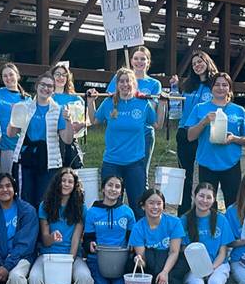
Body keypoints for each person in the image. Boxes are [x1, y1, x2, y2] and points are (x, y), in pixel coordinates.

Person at [28, 168, 93, 284]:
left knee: (85, 278)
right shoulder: (45, 205)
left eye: (70, 182)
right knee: (33, 278)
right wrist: (52, 237)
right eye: (63, 181)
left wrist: (69, 261)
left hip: (71, 256)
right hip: (47, 255)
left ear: (75, 185)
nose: (66, 184)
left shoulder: (81, 207)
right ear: (57, 183)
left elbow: (76, 238)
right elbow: (44, 239)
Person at [86, 67, 166, 213]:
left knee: (138, 205)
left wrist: (162, 105)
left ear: (134, 84)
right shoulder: (109, 102)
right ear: (117, 85)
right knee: (111, 204)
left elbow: (158, 125)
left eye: (128, 81)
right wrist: (91, 102)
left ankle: (137, 234)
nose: (124, 84)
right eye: (121, 81)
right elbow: (94, 120)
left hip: (135, 163)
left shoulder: (143, 103)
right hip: (112, 162)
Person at [183, 72, 245, 209]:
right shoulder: (200, 108)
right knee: (207, 204)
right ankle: (210, 229)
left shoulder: (238, 110)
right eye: (217, 85)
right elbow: (190, 136)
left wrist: (234, 139)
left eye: (224, 85)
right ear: (211, 87)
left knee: (234, 204)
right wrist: (204, 121)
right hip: (207, 162)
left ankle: (231, 229)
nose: (221, 88)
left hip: (231, 163)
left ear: (229, 88)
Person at [83, 175, 135, 284]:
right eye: (110, 185)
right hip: (98, 260)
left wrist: (131, 250)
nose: (113, 189)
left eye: (117, 186)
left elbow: (132, 239)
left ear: (121, 191)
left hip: (120, 261)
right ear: (103, 189)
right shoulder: (92, 212)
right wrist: (89, 245)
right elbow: (88, 239)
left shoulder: (127, 212)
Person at [7, 71, 74, 208]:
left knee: (44, 202)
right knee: (25, 200)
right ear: (37, 86)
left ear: (53, 90)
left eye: (50, 86)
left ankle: (43, 230)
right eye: (43, 84)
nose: (46, 88)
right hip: (26, 159)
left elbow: (67, 140)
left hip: (49, 161)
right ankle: (27, 229)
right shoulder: (25, 106)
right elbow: (11, 134)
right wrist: (14, 116)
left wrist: (68, 121)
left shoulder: (59, 110)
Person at [170, 50, 216, 215]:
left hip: (206, 134)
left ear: (207, 62)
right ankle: (183, 212)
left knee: (206, 174)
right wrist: (174, 88)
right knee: (185, 175)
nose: (197, 65)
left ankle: (207, 211)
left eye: (200, 61)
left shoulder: (215, 85)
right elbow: (176, 110)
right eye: (194, 63)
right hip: (186, 132)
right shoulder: (187, 85)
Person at [106, 46, 162, 176]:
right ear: (131, 61)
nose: (139, 62)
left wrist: (138, 100)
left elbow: (151, 110)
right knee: (118, 174)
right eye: (136, 58)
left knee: (141, 174)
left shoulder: (154, 83)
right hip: (121, 132)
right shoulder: (119, 78)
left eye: (143, 59)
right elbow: (111, 99)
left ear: (148, 61)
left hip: (144, 133)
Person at [0, 63, 29, 174]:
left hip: (14, 145)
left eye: (11, 75)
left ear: (17, 76)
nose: (8, 78)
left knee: (9, 179)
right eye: (5, 76)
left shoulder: (26, 98)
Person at [50, 61, 85, 168]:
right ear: (52, 77)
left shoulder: (76, 98)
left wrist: (81, 125)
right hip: (51, 142)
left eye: (64, 75)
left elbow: (88, 119)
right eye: (57, 74)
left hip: (71, 142)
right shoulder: (46, 97)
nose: (61, 77)